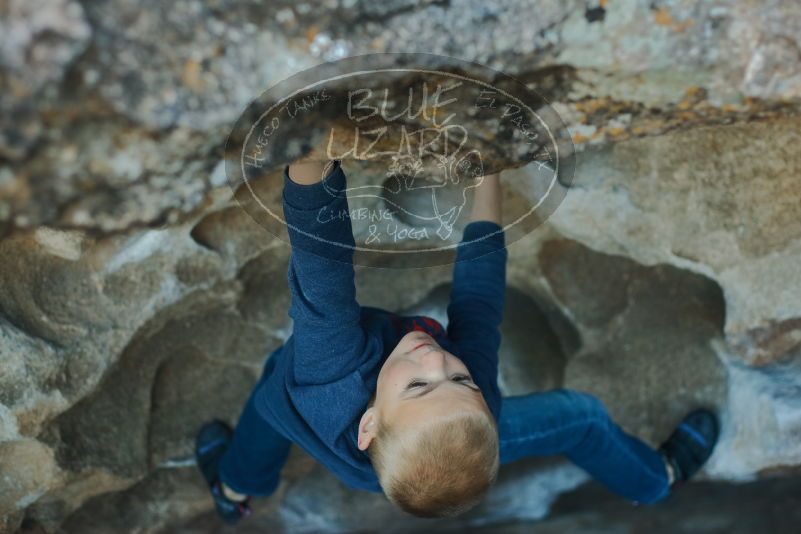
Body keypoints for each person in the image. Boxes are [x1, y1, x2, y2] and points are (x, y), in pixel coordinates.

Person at [194, 157, 719, 524]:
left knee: (274, 394)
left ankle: (234, 489)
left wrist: (311, 166)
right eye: (458, 377)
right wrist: (487, 178)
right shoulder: (471, 399)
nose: (435, 359)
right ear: (482, 402)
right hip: (418, 440)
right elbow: (479, 306)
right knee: (579, 417)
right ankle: (655, 479)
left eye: (420, 385)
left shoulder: (328, 368)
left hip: (314, 398)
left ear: (368, 423)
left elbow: (322, 273)